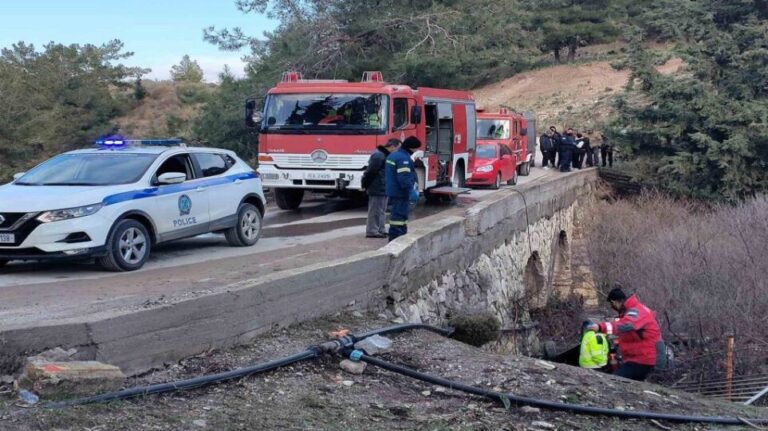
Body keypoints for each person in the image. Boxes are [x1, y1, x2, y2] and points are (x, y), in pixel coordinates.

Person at [588, 286, 663, 381]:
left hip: (643, 360)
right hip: (638, 359)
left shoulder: (636, 312)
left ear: (616, 301)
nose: (612, 307)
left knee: (616, 381)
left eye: (612, 304)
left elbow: (625, 325)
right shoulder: (632, 311)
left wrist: (600, 327)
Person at [362, 139, 400, 238]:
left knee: (381, 210)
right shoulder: (379, 155)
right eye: (397, 148)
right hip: (377, 186)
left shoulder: (384, 155)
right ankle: (372, 231)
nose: (398, 151)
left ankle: (380, 229)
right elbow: (370, 172)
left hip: (383, 186)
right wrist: (365, 184)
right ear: (392, 146)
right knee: (375, 210)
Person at [385, 136, 420, 242]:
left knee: (399, 217)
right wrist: (411, 191)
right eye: (416, 148)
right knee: (399, 217)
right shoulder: (403, 158)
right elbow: (404, 178)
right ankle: (397, 239)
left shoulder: (394, 155)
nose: (417, 150)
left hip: (394, 191)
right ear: (412, 148)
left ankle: (399, 236)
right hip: (400, 192)